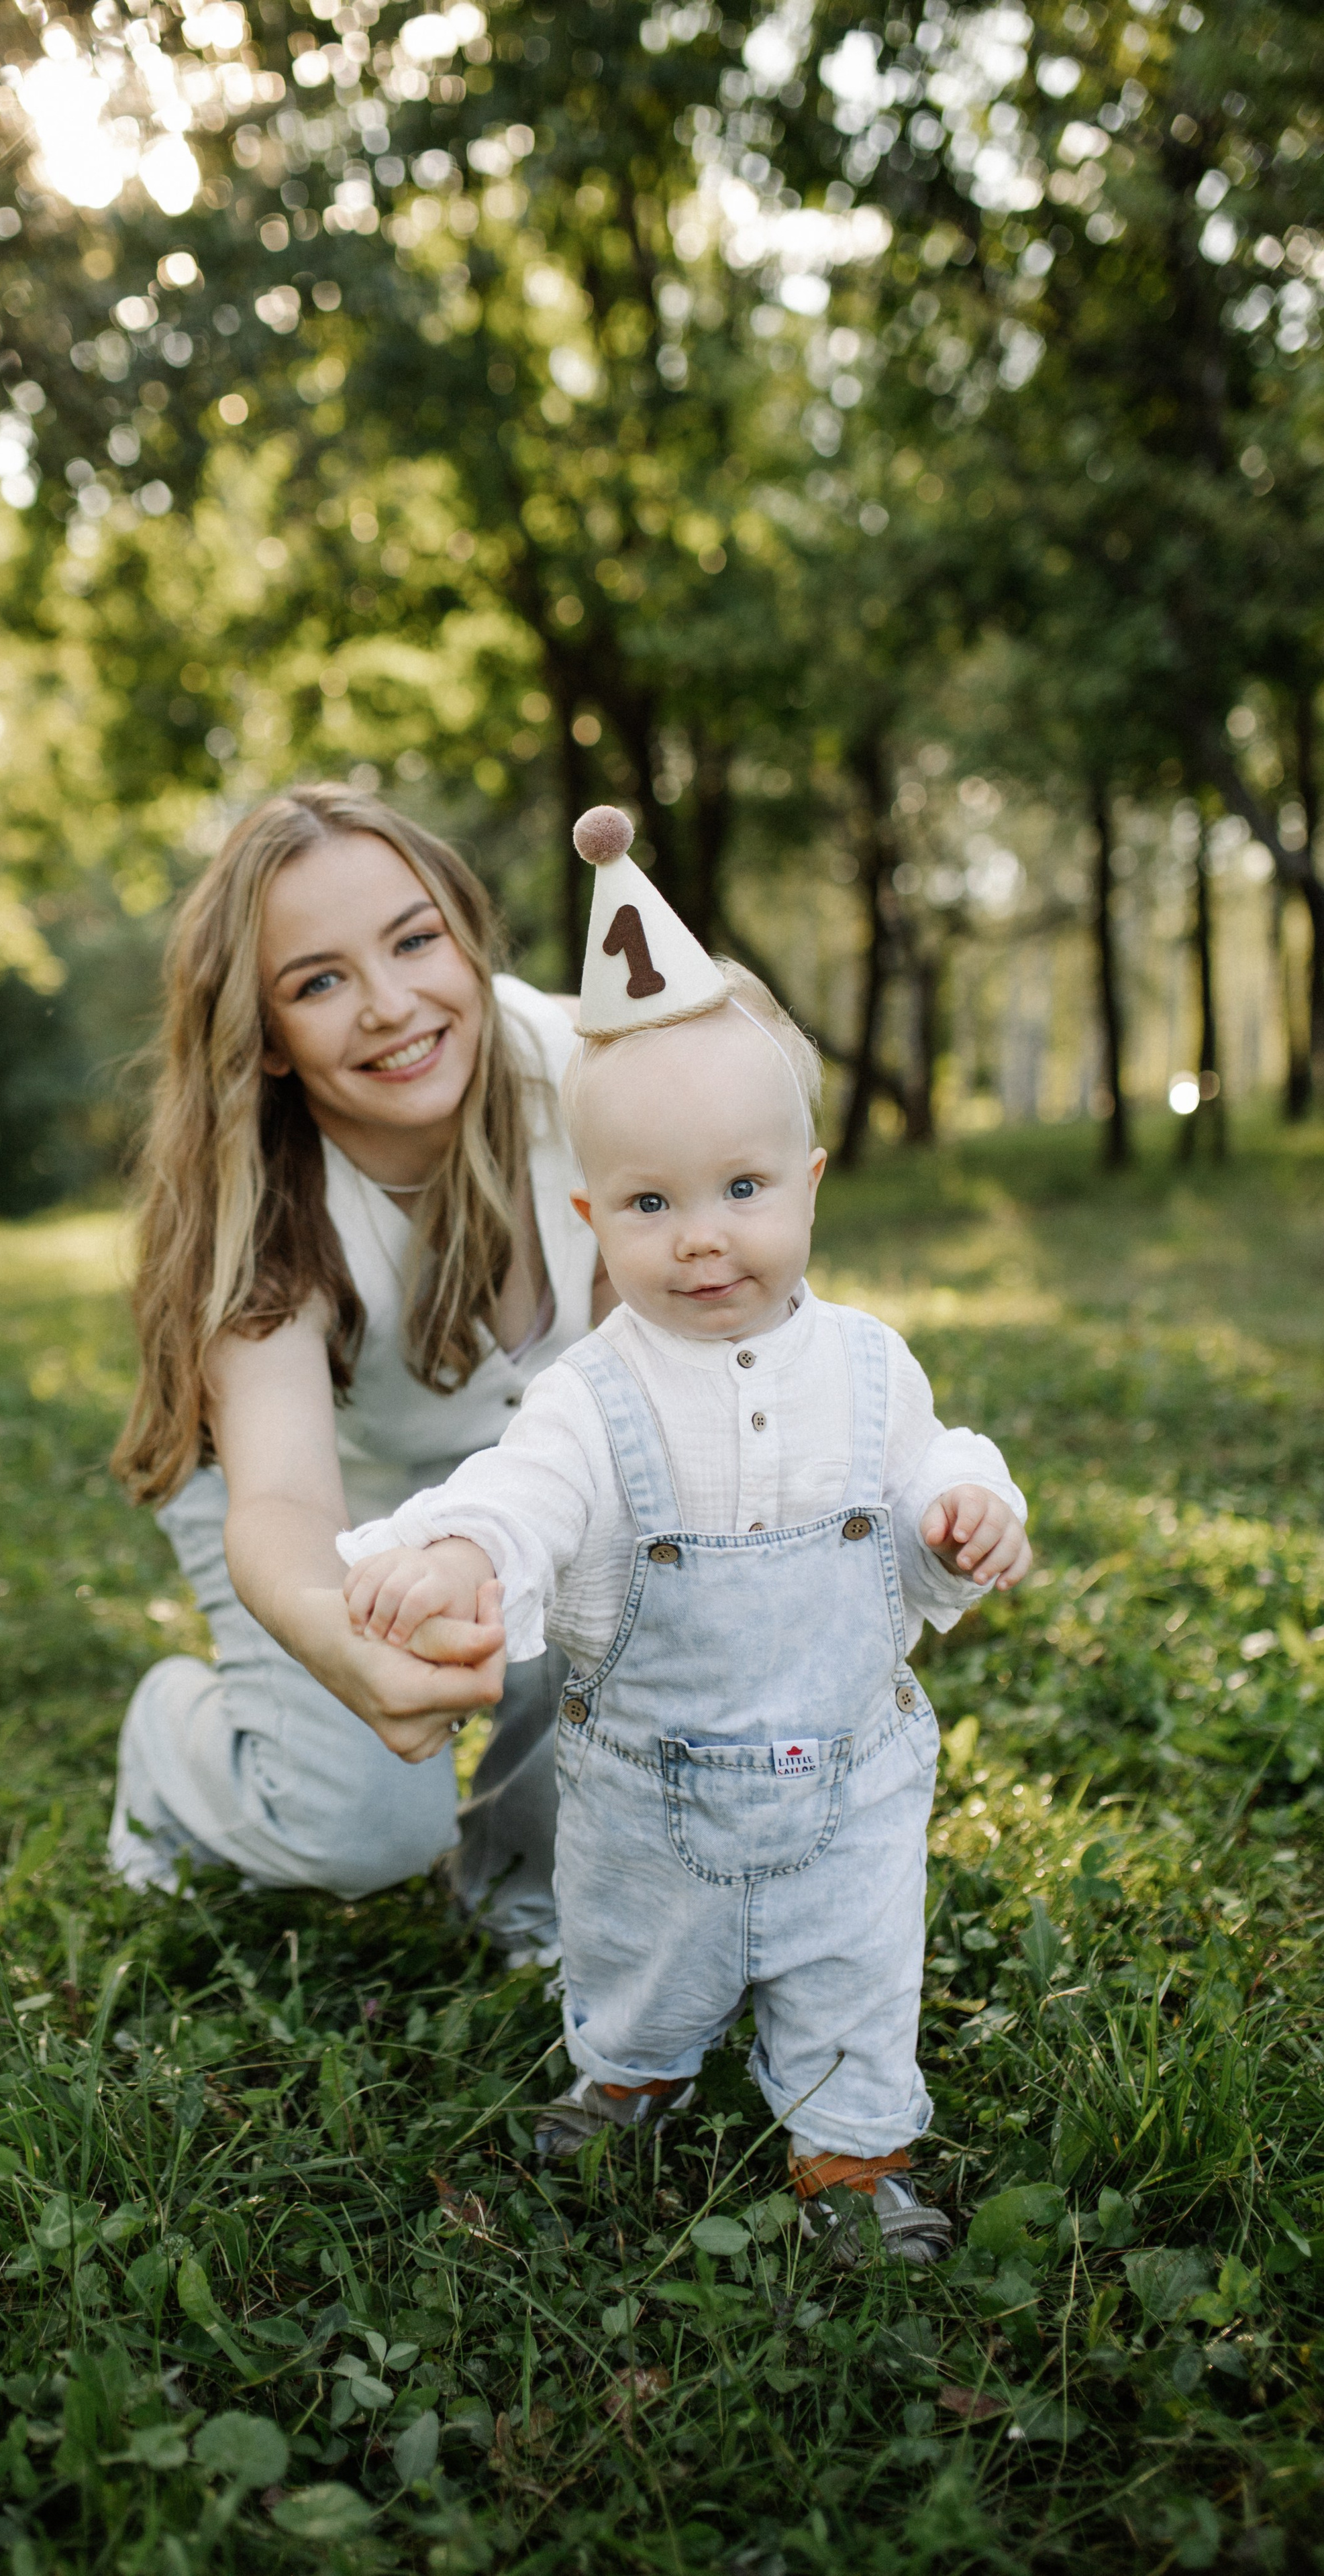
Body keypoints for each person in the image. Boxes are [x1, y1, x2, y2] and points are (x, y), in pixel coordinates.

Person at [338, 808, 1032, 2262]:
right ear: (592, 1218)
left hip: (844, 1780)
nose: (701, 1237)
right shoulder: (590, 1395)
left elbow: (927, 1465)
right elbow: (523, 1490)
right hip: (652, 1788)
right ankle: (631, 2073)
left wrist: (964, 1512)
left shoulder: (866, 1362)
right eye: (650, 1205)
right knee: (637, 1955)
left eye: (739, 1192)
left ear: (807, 1184)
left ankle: (852, 2157)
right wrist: (464, 1557)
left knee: (854, 1968)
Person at [107, 784, 606, 1961]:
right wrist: (340, 1637)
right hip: (326, 1497)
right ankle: (170, 1743)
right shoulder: (261, 1194)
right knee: (366, 1833)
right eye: (318, 981)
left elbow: (661, 1390)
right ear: (267, 1036)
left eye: (415, 939)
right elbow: (282, 1499)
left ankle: (525, 1884)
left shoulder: (595, 1073)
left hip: (522, 1469)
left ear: (467, 930)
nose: (392, 1006)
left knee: (632, 1553)